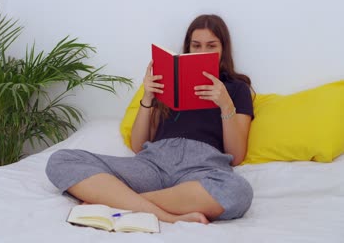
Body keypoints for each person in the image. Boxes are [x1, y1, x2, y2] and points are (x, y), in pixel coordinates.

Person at [46, 14, 254, 224]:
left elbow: (236, 156)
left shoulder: (236, 89)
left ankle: (117, 201)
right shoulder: (171, 79)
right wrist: (147, 97)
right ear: (188, 47)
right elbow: (138, 146)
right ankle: (167, 216)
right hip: (152, 164)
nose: (202, 52)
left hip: (201, 168)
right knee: (60, 160)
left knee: (239, 191)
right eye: (196, 45)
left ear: (223, 49)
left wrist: (226, 104)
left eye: (211, 46)